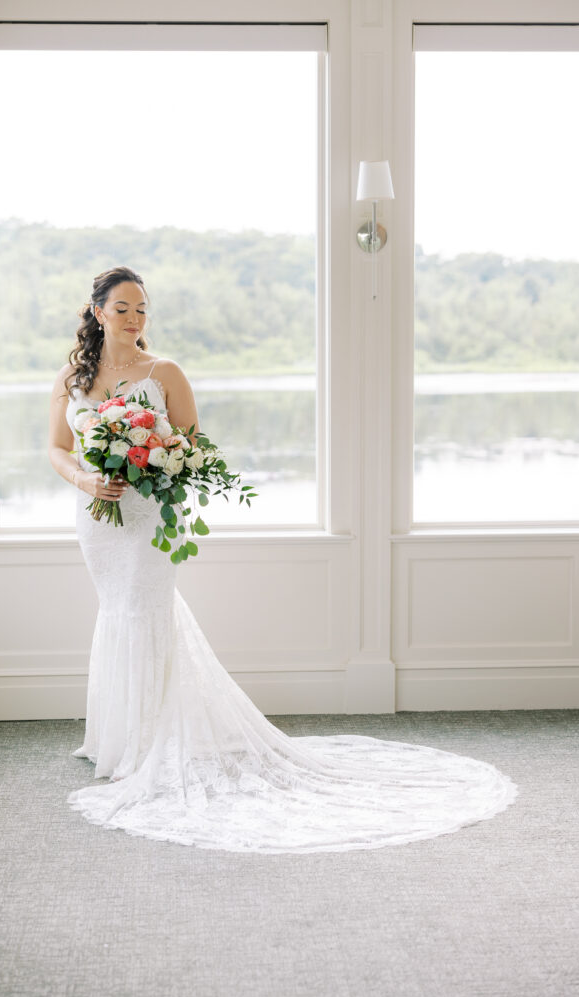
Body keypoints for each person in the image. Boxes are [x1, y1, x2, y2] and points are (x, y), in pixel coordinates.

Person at [49, 265, 518, 854]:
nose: (135, 318)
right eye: (123, 309)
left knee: (146, 610)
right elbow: (56, 448)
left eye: (143, 309)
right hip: (96, 520)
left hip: (145, 518)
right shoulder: (74, 376)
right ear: (97, 312)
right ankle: (116, 738)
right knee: (116, 612)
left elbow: (194, 448)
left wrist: (146, 455)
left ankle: (146, 748)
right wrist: (89, 480)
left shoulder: (162, 371)